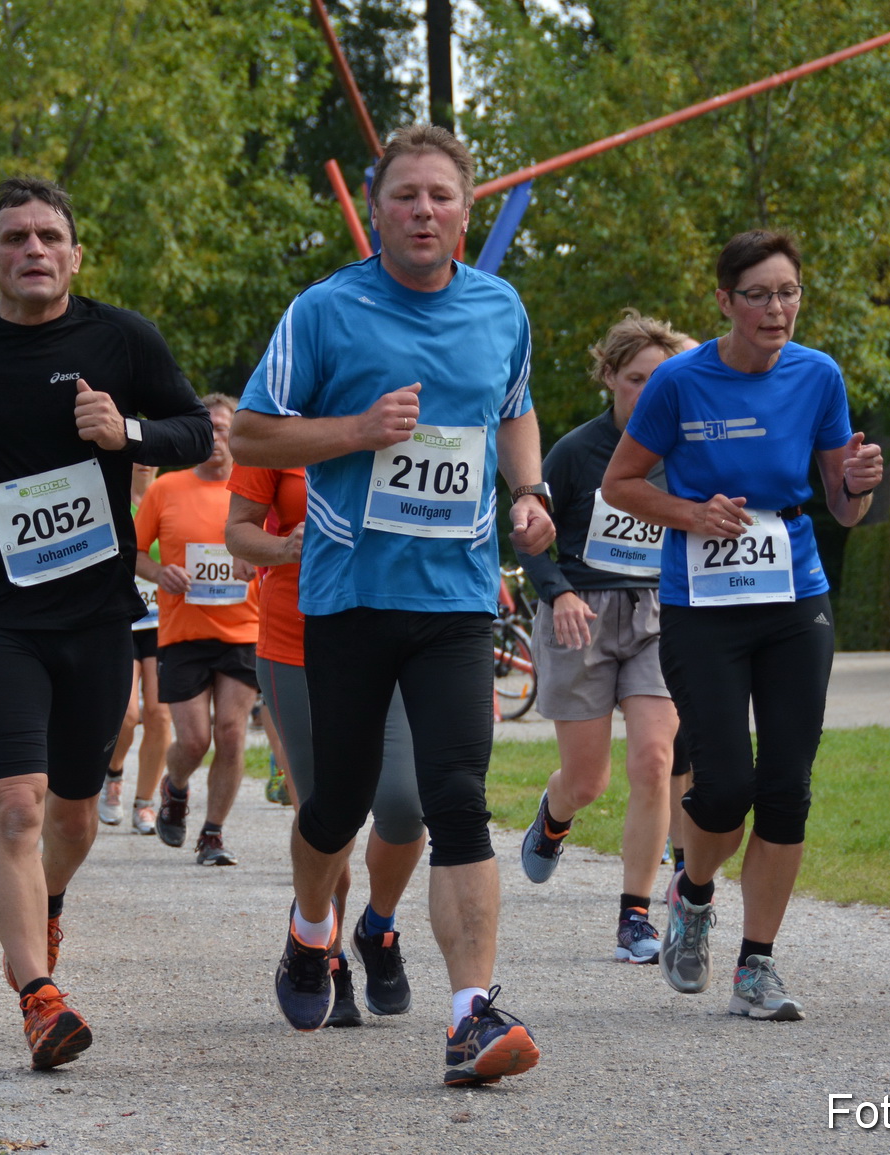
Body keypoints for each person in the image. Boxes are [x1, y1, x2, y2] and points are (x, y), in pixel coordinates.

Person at [232, 124, 554, 1086]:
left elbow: (515, 409)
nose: (424, 211)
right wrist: (355, 430)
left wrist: (528, 491)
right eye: (405, 195)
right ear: (377, 207)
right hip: (349, 595)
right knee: (337, 800)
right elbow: (250, 431)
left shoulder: (501, 307)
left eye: (441, 196)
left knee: (456, 797)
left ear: (467, 210)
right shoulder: (326, 311)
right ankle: (309, 929)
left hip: (456, 599)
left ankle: (471, 1016)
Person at [0, 175, 211, 1071]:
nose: (33, 249)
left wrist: (129, 434)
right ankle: (39, 996)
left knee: (74, 819)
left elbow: (195, 429)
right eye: (15, 237)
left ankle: (42, 911)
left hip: (94, 613)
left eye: (49, 236)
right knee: (12, 804)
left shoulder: (121, 339)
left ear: (75, 254)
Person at [603, 229, 883, 1022]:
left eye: (788, 291)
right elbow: (623, 484)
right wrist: (693, 512)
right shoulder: (681, 383)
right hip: (704, 602)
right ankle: (691, 894)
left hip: (795, 595)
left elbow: (842, 503)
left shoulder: (818, 375)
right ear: (724, 301)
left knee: (787, 788)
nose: (776, 308)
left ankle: (756, 964)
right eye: (757, 294)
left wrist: (858, 483)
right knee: (723, 787)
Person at [516, 311, 694, 964]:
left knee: (654, 758)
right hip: (579, 614)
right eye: (636, 378)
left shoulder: (687, 451)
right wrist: (557, 590)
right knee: (587, 779)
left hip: (657, 613)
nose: (648, 391)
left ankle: (635, 916)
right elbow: (532, 535)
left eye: (661, 378)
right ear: (611, 378)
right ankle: (554, 815)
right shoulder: (574, 453)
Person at [226, 459, 427, 1026]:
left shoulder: (404, 410)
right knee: (328, 815)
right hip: (297, 641)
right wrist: (278, 547)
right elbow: (238, 532)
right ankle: (323, 950)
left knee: (405, 804)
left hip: (392, 630)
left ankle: (377, 928)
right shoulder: (279, 414)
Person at [134, 394, 259, 865]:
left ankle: (213, 833)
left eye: (224, 429)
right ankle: (176, 786)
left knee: (230, 732)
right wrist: (158, 573)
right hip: (183, 631)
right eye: (206, 429)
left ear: (237, 435)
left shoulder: (253, 489)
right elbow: (135, 551)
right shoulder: (166, 489)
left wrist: (256, 561)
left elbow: (278, 544)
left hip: (243, 628)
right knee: (193, 740)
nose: (215, 439)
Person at [99, 463, 172, 835]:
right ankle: (112, 776)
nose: (144, 463)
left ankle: (145, 803)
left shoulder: (168, 497)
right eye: (135, 456)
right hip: (121, 621)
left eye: (150, 456)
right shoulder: (109, 498)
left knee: (159, 715)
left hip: (163, 621)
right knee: (126, 715)